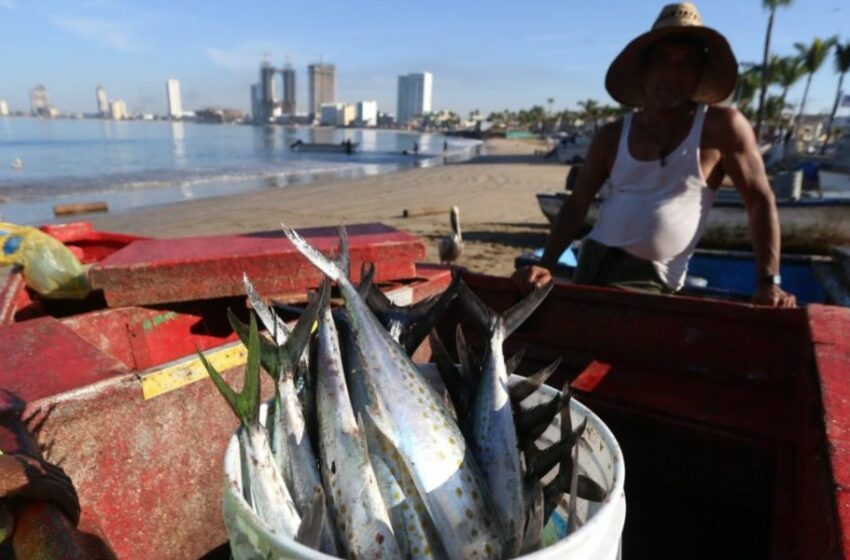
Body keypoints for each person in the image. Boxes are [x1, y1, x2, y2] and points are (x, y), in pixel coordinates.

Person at [513, 3, 795, 307]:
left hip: (653, 279)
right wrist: (547, 264)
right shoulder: (611, 135)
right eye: (663, 60)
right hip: (594, 262)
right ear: (644, 70)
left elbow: (759, 200)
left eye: (685, 64)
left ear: (698, 75)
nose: (672, 73)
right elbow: (577, 204)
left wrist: (769, 282)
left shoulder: (721, 128)